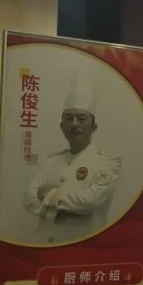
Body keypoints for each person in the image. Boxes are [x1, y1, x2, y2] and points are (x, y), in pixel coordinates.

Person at [22, 76, 122, 244]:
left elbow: (90, 201)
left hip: (84, 247)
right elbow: (28, 199)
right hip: (43, 245)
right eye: (69, 118)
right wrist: (66, 202)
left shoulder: (108, 162)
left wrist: (48, 196)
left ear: (94, 127)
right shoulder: (51, 161)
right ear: (62, 127)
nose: (75, 124)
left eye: (81, 118)